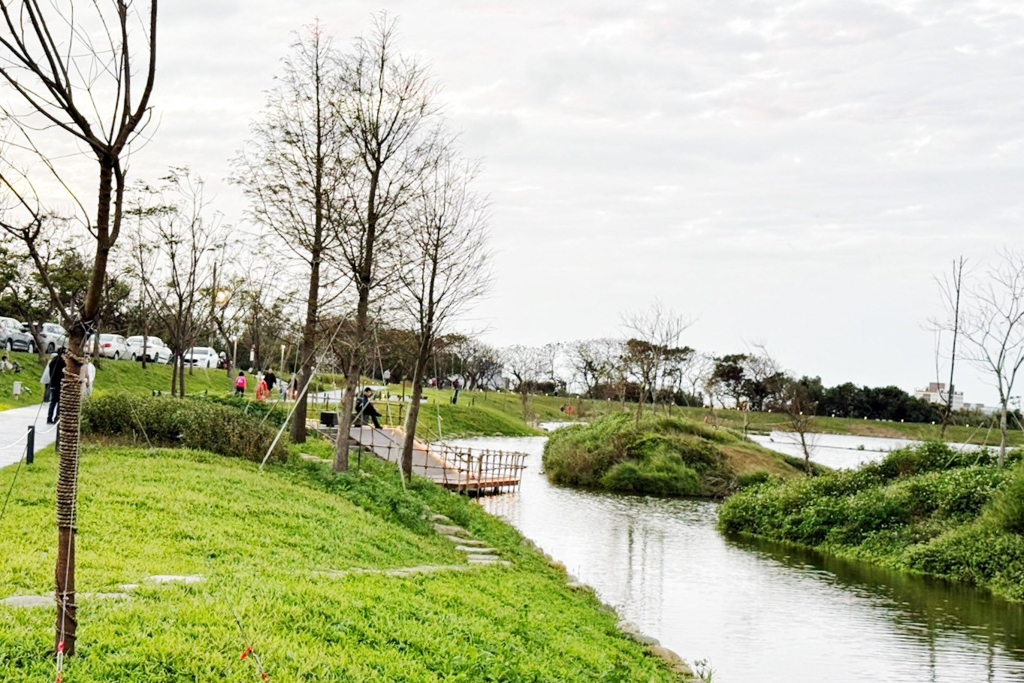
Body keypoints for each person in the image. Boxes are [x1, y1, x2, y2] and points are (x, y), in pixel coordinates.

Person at [46, 348, 66, 424]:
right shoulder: (61, 362)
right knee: (60, 402)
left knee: (53, 402)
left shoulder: (53, 361)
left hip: (53, 383)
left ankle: (49, 418)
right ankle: (57, 418)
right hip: (59, 384)